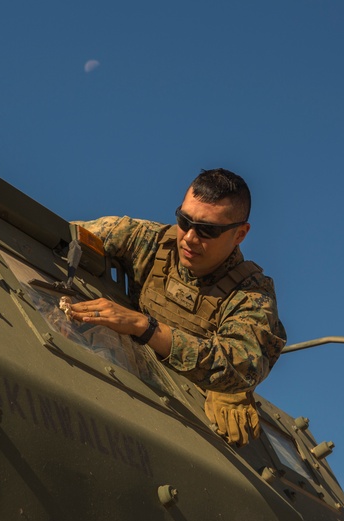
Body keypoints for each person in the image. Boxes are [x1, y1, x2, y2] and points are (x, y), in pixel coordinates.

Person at [69, 169, 286, 447]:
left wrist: (143, 326)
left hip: (175, 417)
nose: (190, 238)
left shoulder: (251, 295)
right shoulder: (145, 239)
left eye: (208, 230)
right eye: (184, 221)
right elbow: (61, 233)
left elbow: (240, 367)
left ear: (240, 234)